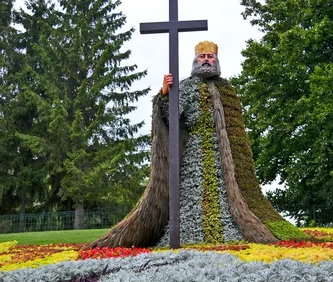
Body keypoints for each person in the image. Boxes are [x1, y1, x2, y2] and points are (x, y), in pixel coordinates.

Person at [88, 41, 297, 248]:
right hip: (194, 152)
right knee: (193, 194)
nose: (206, 60)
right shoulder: (186, 86)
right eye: (202, 57)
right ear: (195, 61)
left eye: (210, 57)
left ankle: (228, 229)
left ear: (216, 60)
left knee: (225, 195)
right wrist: (164, 95)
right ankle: (190, 232)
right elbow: (172, 119)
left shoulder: (227, 90)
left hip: (224, 158)